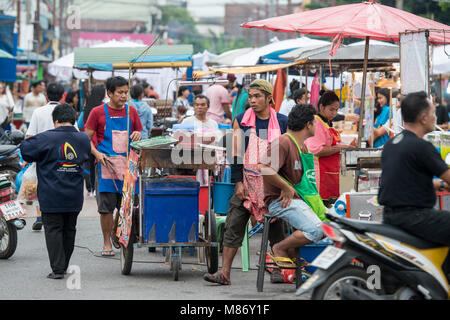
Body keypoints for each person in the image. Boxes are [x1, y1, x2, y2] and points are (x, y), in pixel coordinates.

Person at [203, 79, 288, 285]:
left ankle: (281, 270)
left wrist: (286, 187)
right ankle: (224, 273)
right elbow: (235, 153)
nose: (252, 100)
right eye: (250, 96)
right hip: (247, 183)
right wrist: (238, 182)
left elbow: (288, 153)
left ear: (269, 98)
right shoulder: (240, 120)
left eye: (257, 96)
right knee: (233, 225)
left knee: (277, 230)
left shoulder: (283, 121)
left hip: (273, 185)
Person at [20, 103, 91, 279]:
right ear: (73, 120)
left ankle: (58, 269)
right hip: (74, 195)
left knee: (53, 229)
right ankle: (63, 265)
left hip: (51, 195)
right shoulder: (83, 139)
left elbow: (26, 151)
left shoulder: (45, 138)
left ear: (56, 120)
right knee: (69, 229)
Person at [379, 91, 450, 250]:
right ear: (423, 118)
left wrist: (440, 186)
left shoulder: (393, 144)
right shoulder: (421, 147)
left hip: (390, 215)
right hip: (414, 217)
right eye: (433, 113)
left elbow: (407, 181)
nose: (435, 118)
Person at [259, 104, 324, 267]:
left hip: (301, 199)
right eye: (315, 122)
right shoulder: (282, 142)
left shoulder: (301, 145)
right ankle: (279, 248)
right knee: (317, 230)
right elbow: (263, 168)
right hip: (280, 201)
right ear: (308, 124)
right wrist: (286, 187)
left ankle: (292, 253)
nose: (316, 126)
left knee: (332, 226)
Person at [85, 76, 143, 256]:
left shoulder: (131, 112)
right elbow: (86, 140)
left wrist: (137, 134)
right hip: (106, 165)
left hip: (127, 166)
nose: (124, 96)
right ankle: (106, 242)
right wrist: (97, 154)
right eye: (120, 92)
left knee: (126, 206)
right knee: (106, 208)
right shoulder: (97, 112)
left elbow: (139, 132)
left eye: (126, 92)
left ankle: (120, 233)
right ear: (109, 93)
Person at [26, 82, 66, 231]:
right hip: (62, 155)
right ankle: (59, 213)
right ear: (63, 96)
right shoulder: (66, 111)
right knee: (60, 183)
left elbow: (30, 136)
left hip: (42, 156)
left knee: (41, 186)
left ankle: (39, 215)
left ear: (46, 95)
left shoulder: (38, 112)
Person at [305, 91, 356, 204]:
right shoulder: (316, 123)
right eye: (331, 109)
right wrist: (341, 147)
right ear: (322, 107)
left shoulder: (327, 123)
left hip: (330, 172)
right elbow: (317, 150)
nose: (334, 113)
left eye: (336, 110)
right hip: (320, 173)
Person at [83, 84, 106, 197]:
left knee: (90, 166)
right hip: (99, 142)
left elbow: (80, 124)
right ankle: (98, 188)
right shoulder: (103, 107)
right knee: (99, 167)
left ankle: (90, 188)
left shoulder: (87, 107)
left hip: (88, 140)